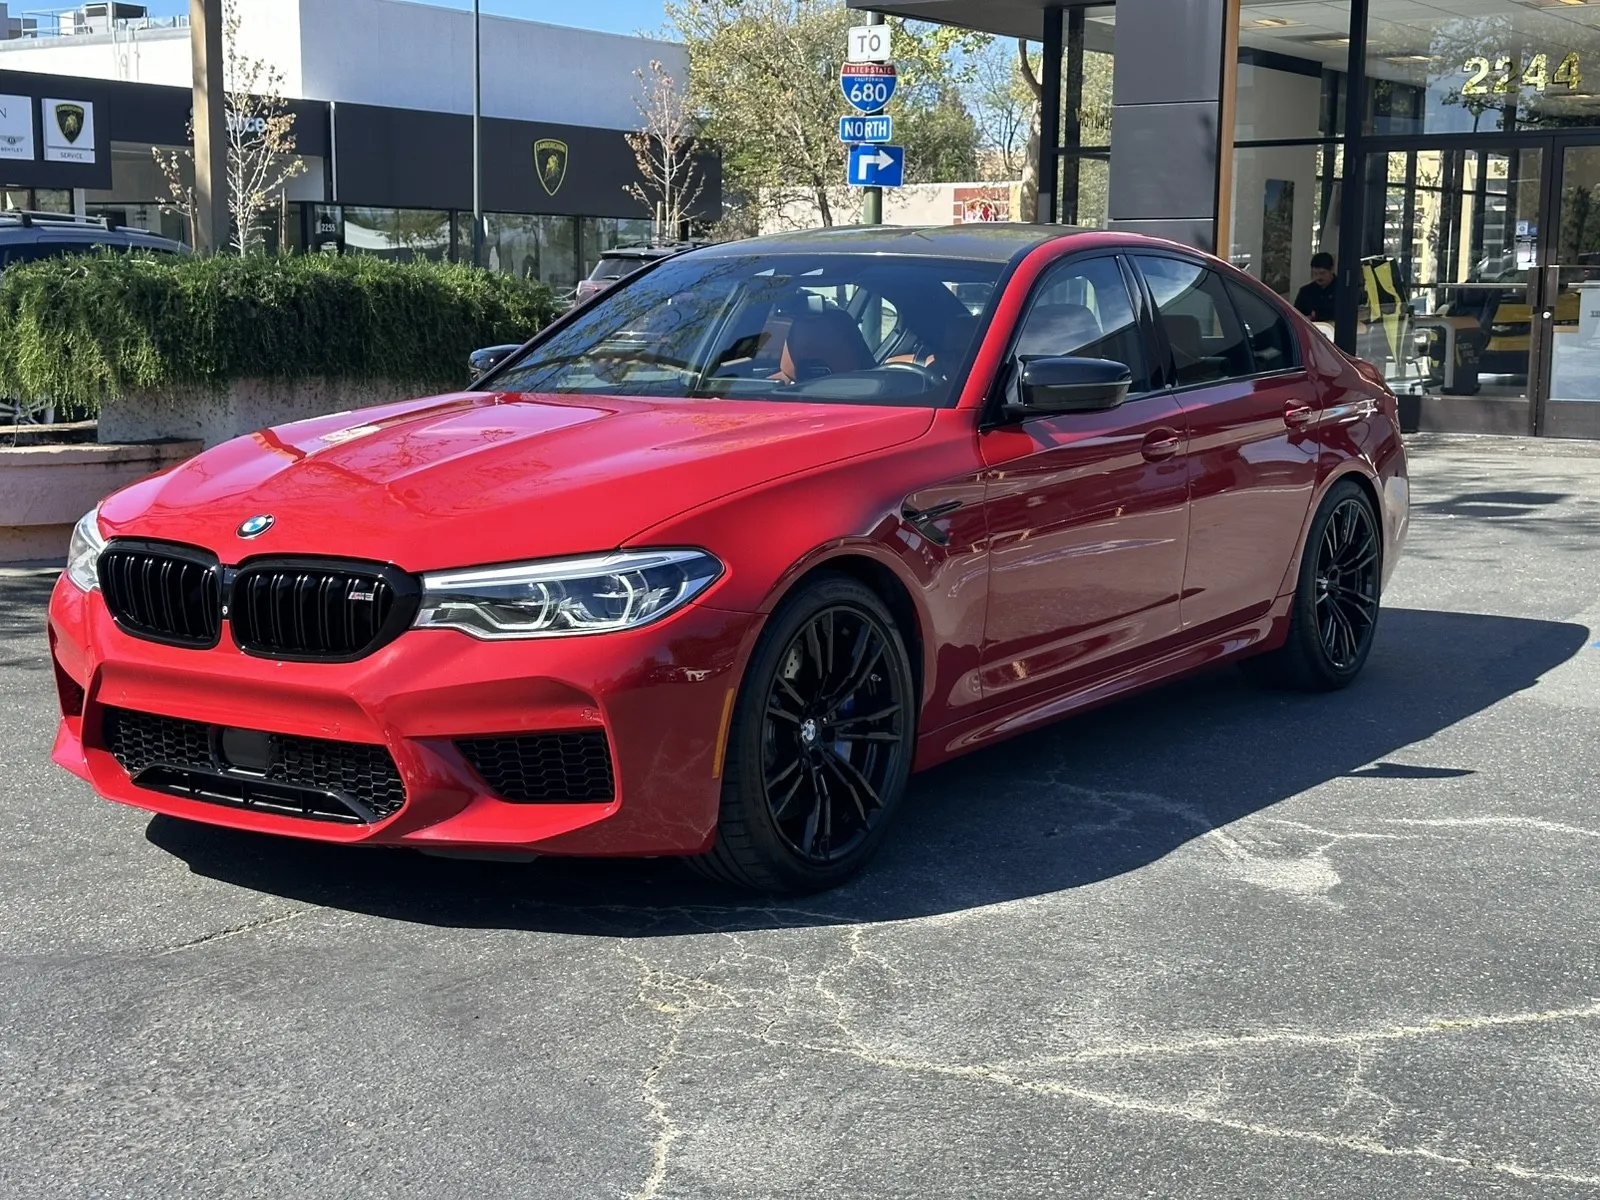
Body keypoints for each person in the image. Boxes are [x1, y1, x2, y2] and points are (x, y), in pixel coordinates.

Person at [1294, 252, 1339, 322]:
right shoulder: (1305, 292)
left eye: (1322, 273)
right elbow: (1296, 316)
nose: (1318, 277)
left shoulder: (1343, 290)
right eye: (1315, 273)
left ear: (1332, 270)